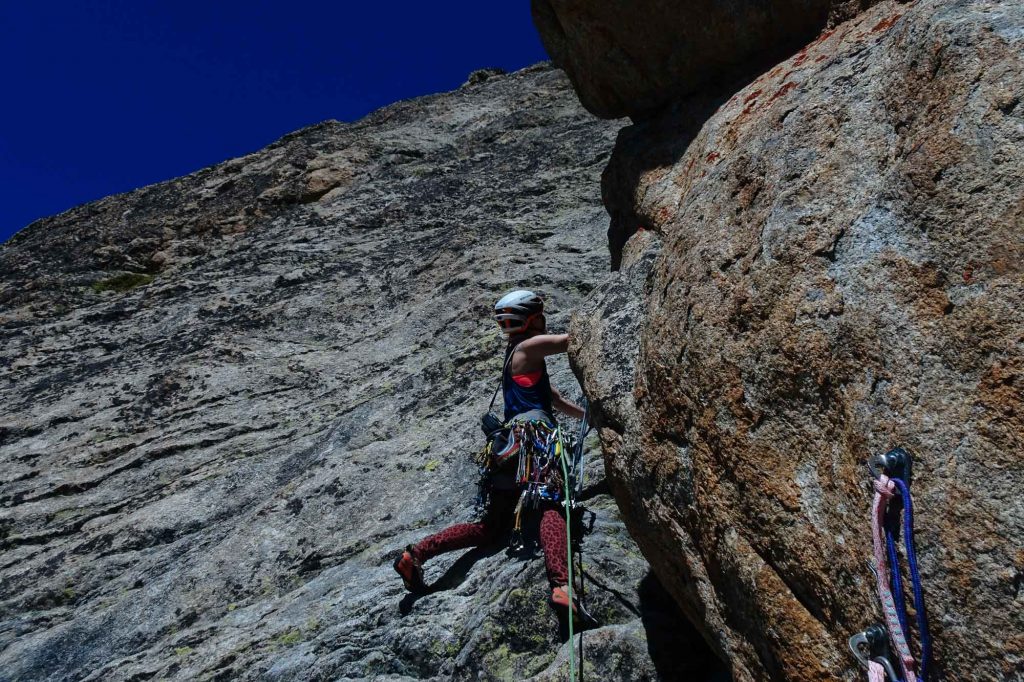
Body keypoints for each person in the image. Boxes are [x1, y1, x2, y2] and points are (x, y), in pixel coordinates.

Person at [393, 289, 585, 622]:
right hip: (536, 444)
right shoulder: (529, 346)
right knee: (551, 506)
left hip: (507, 448)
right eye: (540, 316)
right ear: (533, 319)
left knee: (490, 528)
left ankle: (417, 553)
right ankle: (562, 585)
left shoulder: (513, 355)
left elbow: (552, 398)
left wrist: (587, 415)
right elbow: (575, 340)